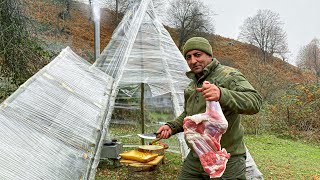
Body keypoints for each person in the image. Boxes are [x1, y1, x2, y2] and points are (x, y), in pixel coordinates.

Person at [156, 37, 263, 179]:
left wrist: (221, 94)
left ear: (209, 55)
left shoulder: (228, 75)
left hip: (227, 158)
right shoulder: (192, 85)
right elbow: (190, 114)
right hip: (197, 156)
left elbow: (255, 102)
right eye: (188, 57)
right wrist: (172, 126)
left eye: (197, 55)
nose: (193, 61)